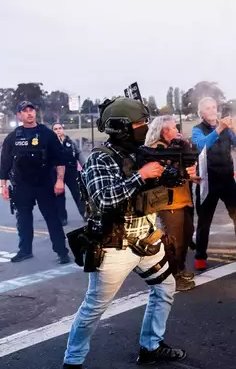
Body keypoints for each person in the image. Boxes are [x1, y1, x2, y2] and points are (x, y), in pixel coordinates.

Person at [63, 98, 189, 368]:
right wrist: (141, 176)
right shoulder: (100, 159)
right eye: (139, 124)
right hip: (114, 246)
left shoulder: (139, 153)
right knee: (93, 308)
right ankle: (72, 361)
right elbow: (104, 199)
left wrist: (172, 174)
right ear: (121, 128)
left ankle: (151, 346)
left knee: (165, 287)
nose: (144, 128)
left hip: (145, 241)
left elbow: (160, 185)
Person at [0, 101, 70, 264]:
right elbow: (5, 162)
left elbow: (60, 160)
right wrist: (3, 186)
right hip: (21, 185)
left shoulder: (47, 134)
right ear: (19, 115)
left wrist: (59, 181)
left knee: (52, 218)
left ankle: (61, 252)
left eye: (32, 110)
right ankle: (25, 251)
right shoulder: (13, 137)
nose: (29, 113)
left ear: (35, 113)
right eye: (25, 111)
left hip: (44, 183)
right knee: (23, 219)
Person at [191, 97, 236, 271]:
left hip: (226, 178)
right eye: (207, 108)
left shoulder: (224, 127)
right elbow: (202, 145)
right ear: (201, 113)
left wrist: (233, 128)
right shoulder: (197, 130)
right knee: (204, 220)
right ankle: (200, 256)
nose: (212, 111)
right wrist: (219, 128)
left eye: (214, 107)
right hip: (207, 180)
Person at [144, 115, 197, 292]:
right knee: (175, 242)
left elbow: (187, 165)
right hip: (168, 203)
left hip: (183, 199)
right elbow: (160, 174)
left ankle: (180, 269)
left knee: (187, 235)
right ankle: (173, 277)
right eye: (174, 128)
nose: (178, 131)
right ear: (164, 131)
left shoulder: (177, 146)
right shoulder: (154, 149)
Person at [52, 123, 86, 226]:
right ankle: (62, 218)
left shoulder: (71, 142)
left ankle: (85, 214)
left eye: (60, 128)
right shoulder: (50, 143)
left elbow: (78, 153)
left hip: (71, 171)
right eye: (55, 129)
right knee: (59, 195)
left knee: (78, 193)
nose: (58, 130)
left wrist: (84, 166)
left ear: (63, 129)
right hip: (56, 173)